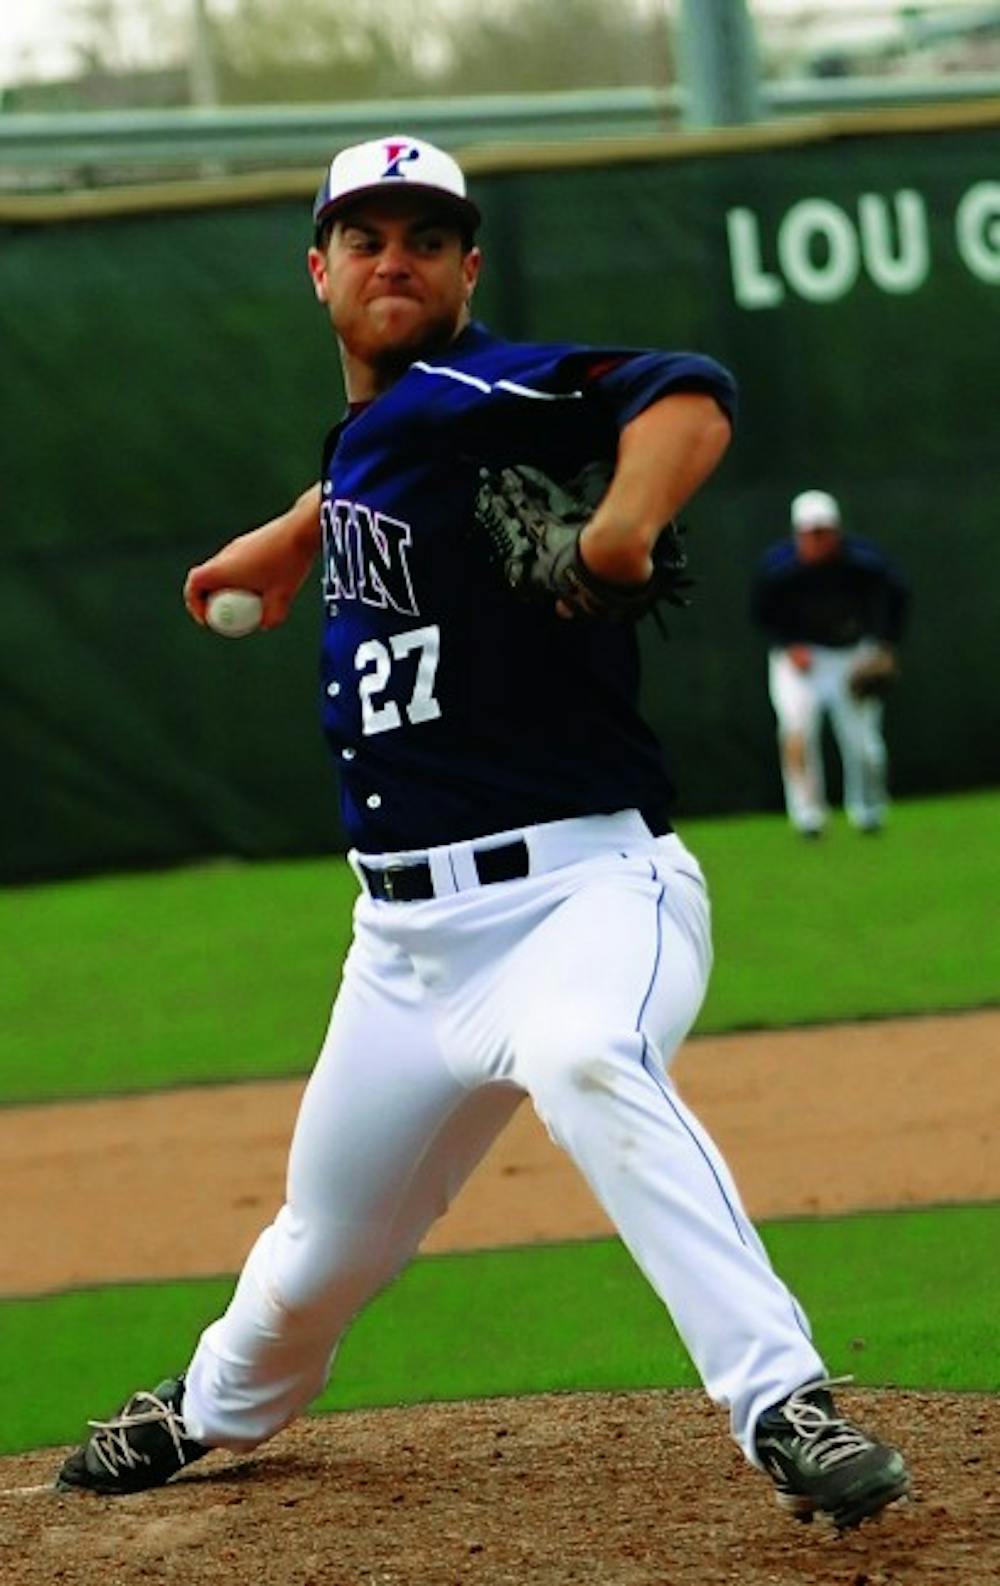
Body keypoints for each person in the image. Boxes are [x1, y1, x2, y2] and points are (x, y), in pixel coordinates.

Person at [56, 135, 909, 1531]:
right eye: (367, 235)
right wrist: (288, 539)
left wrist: (621, 529)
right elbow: (368, 480)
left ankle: (784, 1400)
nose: (397, 256)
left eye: (428, 237)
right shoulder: (394, 433)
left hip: (586, 889)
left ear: (469, 269)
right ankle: (212, 1405)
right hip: (400, 946)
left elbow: (692, 393)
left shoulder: (488, 385)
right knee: (320, 1246)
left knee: (587, 1055)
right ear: (318, 269)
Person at [750, 489, 909, 838]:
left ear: (836, 530)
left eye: (824, 531)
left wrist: (884, 646)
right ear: (798, 533)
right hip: (799, 662)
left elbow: (898, 594)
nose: (818, 539)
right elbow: (761, 613)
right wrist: (788, 644)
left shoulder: (863, 562)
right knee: (797, 735)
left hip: (851, 656)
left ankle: (869, 812)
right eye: (810, 532)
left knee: (865, 744)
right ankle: (808, 818)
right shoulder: (778, 568)